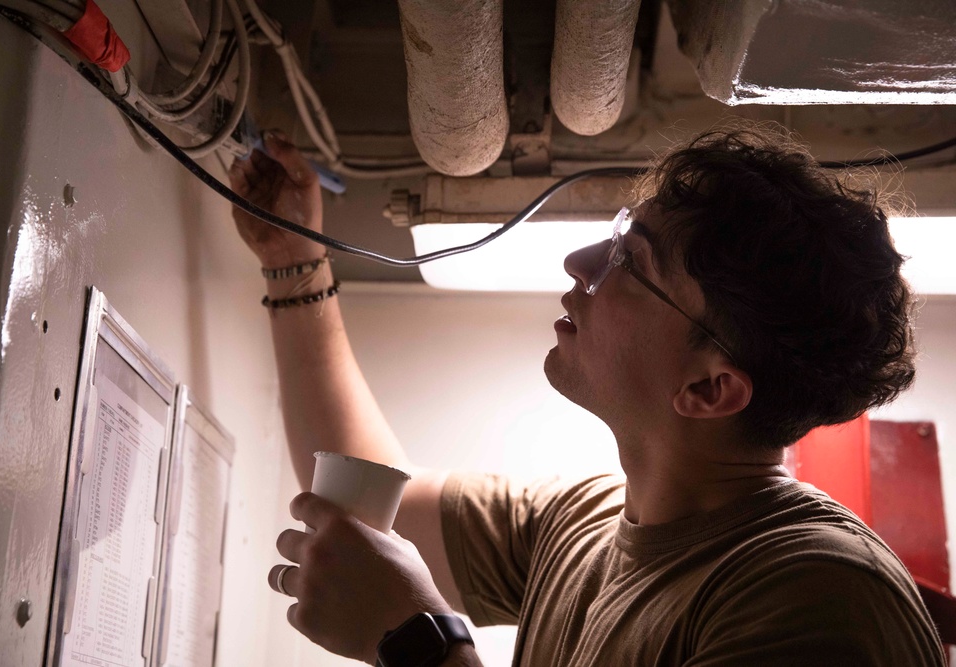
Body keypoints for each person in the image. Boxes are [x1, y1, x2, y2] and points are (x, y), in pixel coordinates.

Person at [229, 123, 946, 666]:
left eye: (632, 262)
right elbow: (364, 502)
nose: (578, 262)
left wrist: (420, 641)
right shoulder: (584, 518)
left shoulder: (815, 598)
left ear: (709, 386)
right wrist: (295, 262)